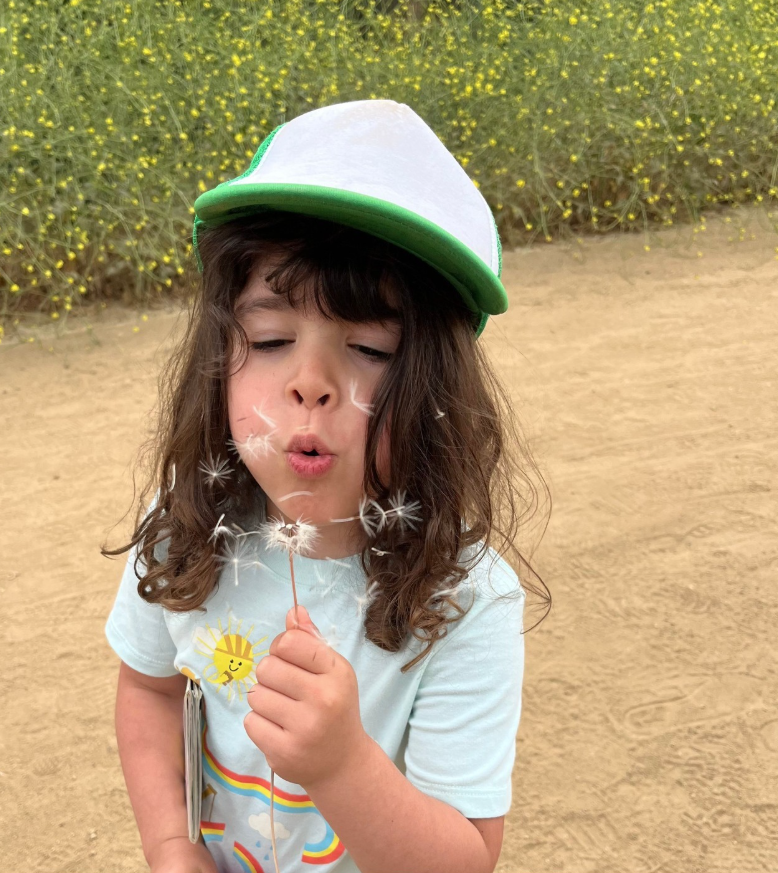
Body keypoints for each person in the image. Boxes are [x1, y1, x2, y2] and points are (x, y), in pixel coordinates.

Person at [103, 99, 549, 873]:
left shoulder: (467, 600)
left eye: (370, 347)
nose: (310, 383)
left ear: (436, 389)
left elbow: (466, 857)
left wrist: (343, 765)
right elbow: (147, 691)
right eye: (272, 339)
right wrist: (171, 845)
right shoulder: (183, 527)